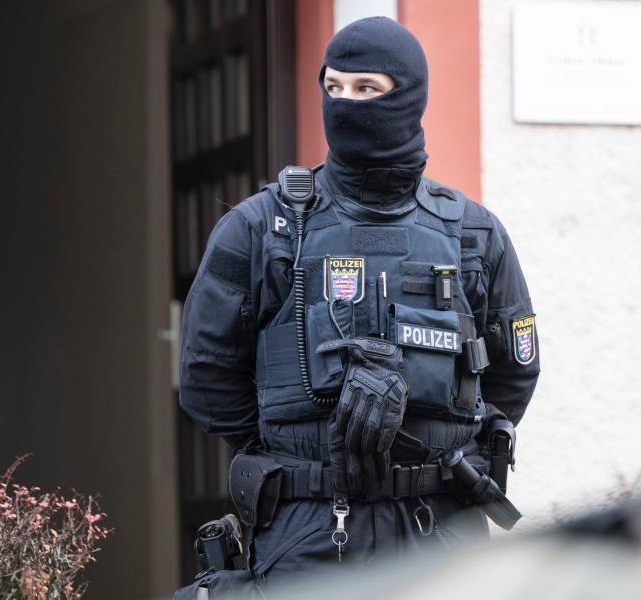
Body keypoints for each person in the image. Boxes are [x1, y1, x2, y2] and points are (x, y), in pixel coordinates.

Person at [177, 16, 540, 595]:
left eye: (366, 88)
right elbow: (205, 378)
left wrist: (432, 448)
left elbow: (513, 375)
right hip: (307, 533)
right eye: (334, 87)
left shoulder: (473, 232)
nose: (346, 102)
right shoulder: (255, 229)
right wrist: (307, 450)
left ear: (409, 95)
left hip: (442, 534)